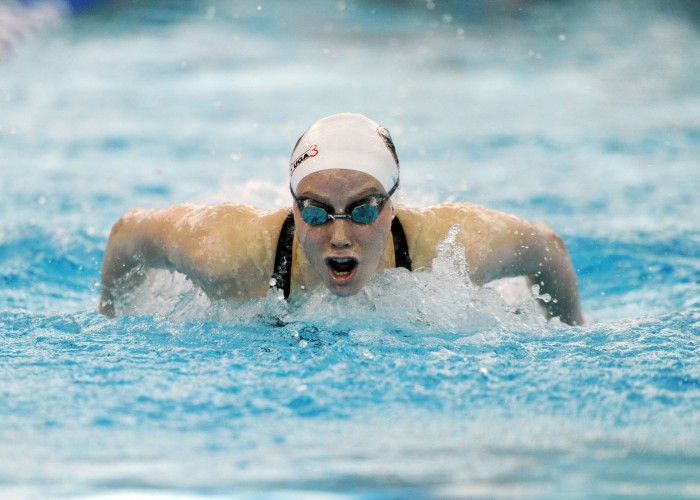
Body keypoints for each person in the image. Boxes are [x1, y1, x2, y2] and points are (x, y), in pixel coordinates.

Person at [99, 113, 584, 325]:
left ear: (392, 205)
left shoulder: (448, 247)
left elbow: (549, 250)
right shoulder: (225, 251)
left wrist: (572, 331)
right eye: (315, 212)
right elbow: (127, 234)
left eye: (364, 211)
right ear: (293, 208)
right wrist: (111, 317)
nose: (339, 236)